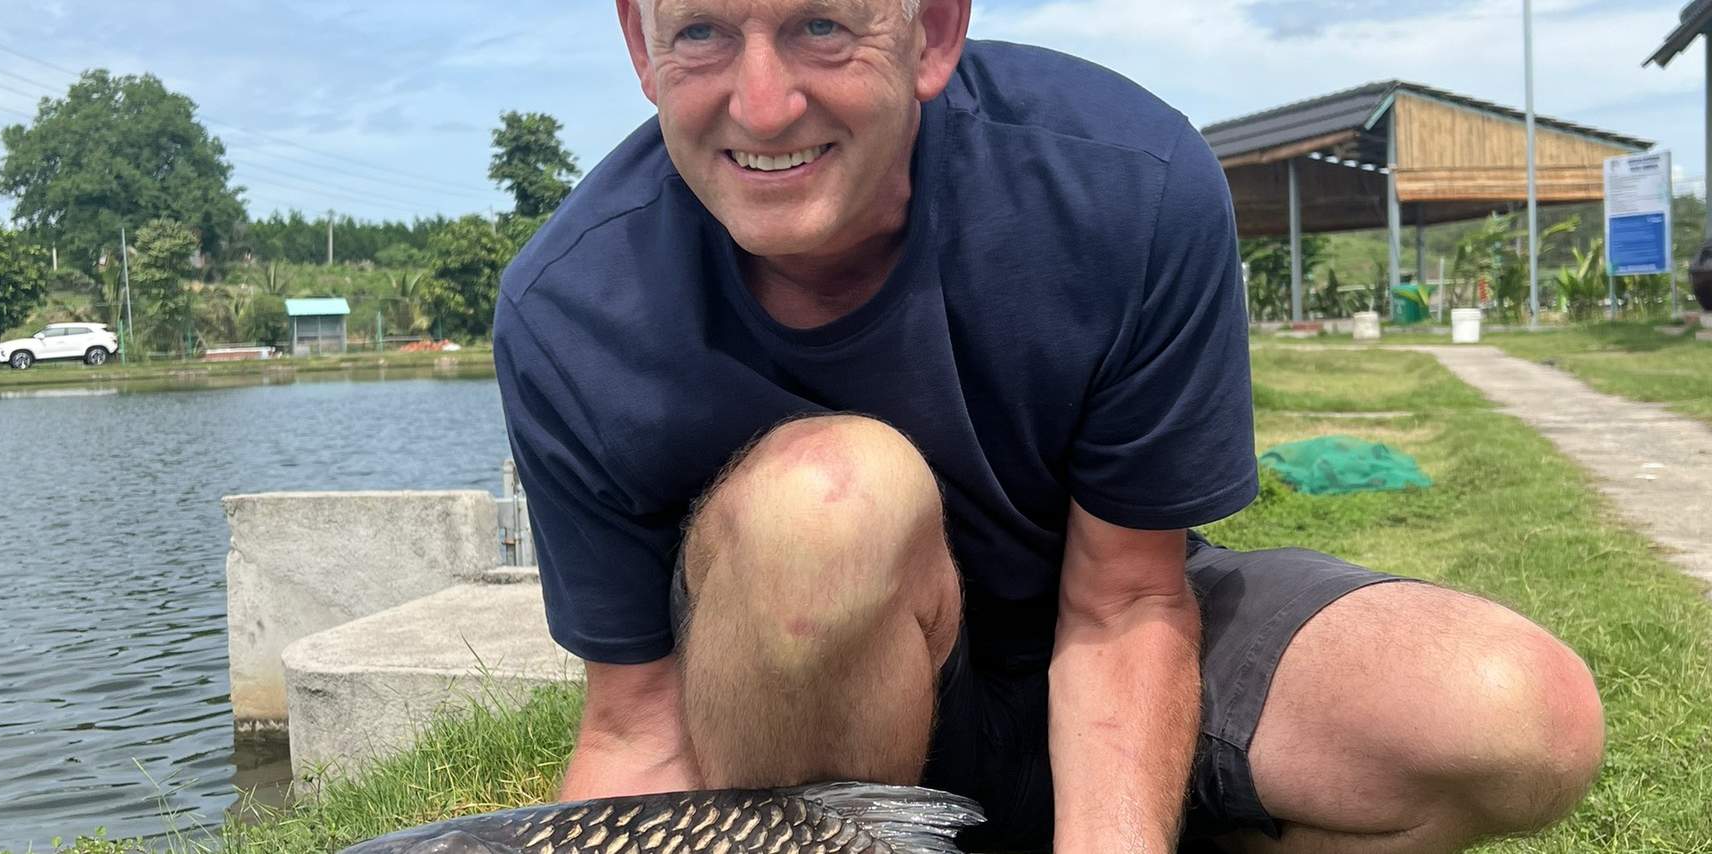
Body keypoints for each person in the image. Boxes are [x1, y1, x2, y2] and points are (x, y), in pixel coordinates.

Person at [492, 1, 1607, 850]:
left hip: (1110, 631)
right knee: (825, 505)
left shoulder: (1130, 182)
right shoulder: (568, 307)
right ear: (640, 46)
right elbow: (638, 727)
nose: (765, 104)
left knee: (1516, 715)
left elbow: (1127, 601)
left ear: (932, 31)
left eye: (822, 25)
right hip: (811, 724)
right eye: (700, 33)